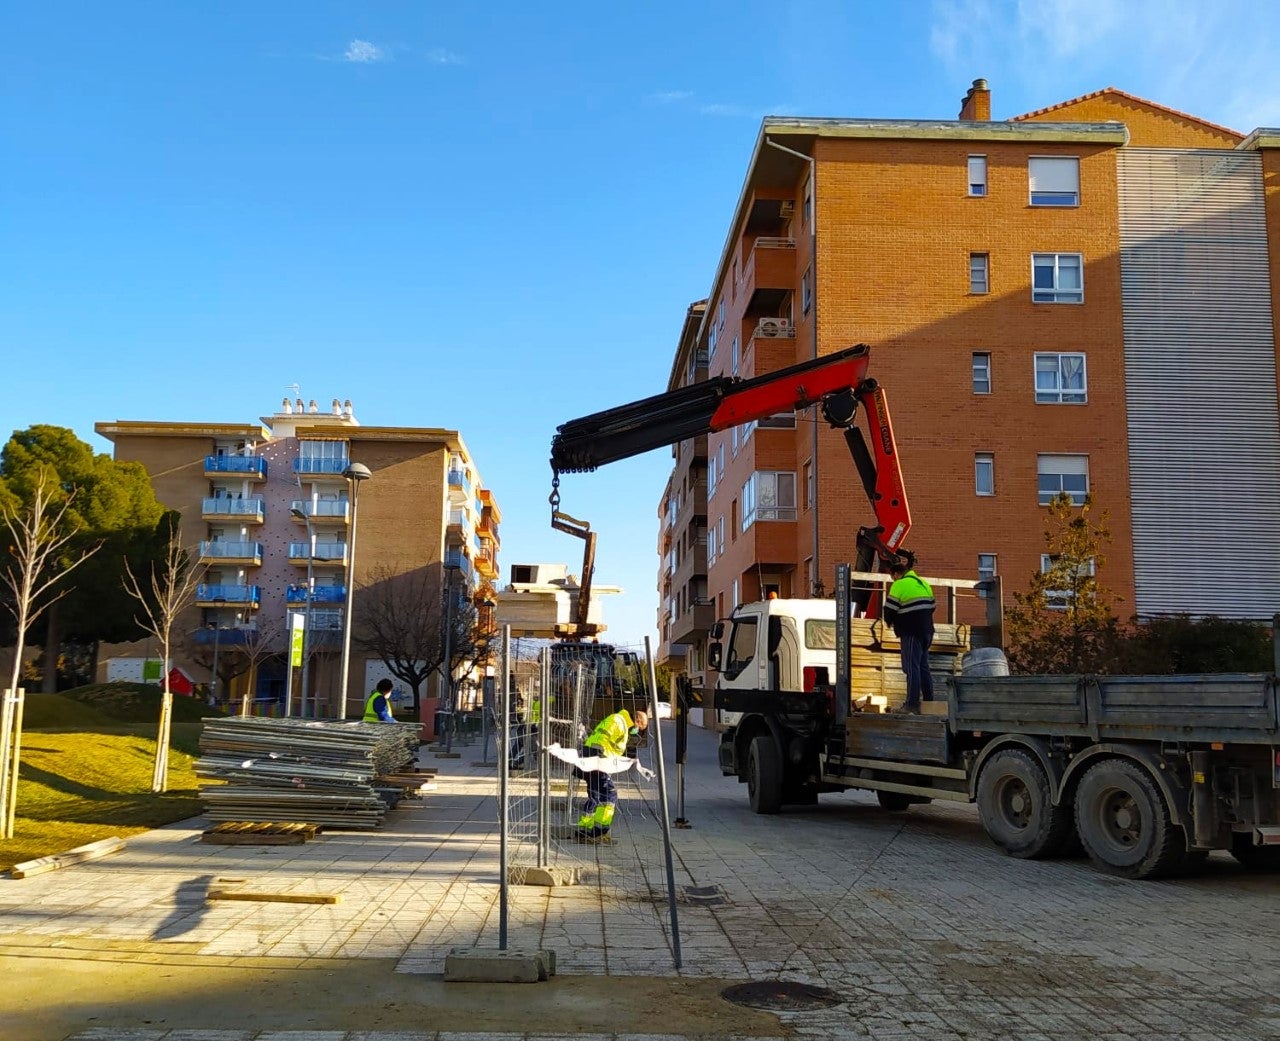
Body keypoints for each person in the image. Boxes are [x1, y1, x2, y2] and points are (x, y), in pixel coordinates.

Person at [573, 708, 649, 843]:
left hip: (591, 755)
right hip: (597, 757)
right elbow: (605, 742)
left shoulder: (619, 720)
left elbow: (610, 744)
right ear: (637, 721)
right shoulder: (620, 722)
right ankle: (599, 832)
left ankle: (585, 830)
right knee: (609, 794)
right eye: (641, 728)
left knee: (595, 794)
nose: (639, 732)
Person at [882, 556, 937, 713]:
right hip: (927, 631)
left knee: (911, 668)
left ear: (896, 574)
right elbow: (932, 606)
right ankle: (929, 703)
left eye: (892, 577)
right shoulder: (923, 584)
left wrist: (889, 622)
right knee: (923, 667)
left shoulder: (900, 585)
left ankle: (911, 705)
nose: (893, 580)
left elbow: (889, 609)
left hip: (911, 632)